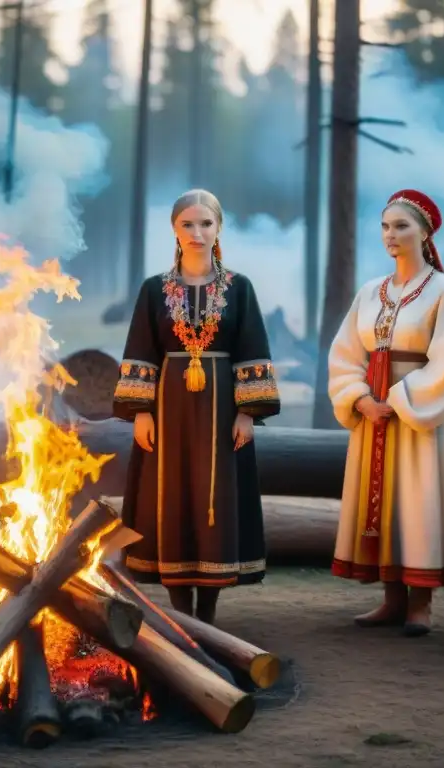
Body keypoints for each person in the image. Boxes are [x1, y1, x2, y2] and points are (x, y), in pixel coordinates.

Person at [113, 189, 280, 625]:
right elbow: (142, 350)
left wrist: (248, 412)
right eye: (187, 224)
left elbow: (252, 348)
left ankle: (207, 612)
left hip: (223, 410)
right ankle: (179, 612)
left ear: (219, 228)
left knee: (215, 496)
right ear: (174, 229)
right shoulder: (154, 290)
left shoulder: (240, 289)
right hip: (167, 411)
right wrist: (141, 411)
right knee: (168, 495)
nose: (197, 232)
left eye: (206, 224)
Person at [327, 189, 444, 637]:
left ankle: (421, 603)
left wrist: (396, 400)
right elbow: (345, 353)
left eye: (401, 226)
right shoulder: (369, 292)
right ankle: (391, 599)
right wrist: (359, 398)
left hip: (418, 418)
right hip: (372, 416)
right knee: (385, 504)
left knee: (418, 500)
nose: (390, 235)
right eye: (385, 226)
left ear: (425, 232)